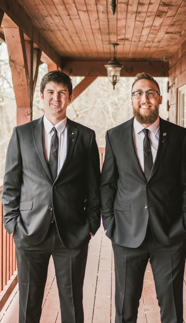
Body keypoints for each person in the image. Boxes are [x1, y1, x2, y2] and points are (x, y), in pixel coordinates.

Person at [2, 70, 101, 323]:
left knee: (72, 303)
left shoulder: (86, 137)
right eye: (51, 92)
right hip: (29, 232)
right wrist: (12, 224)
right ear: (42, 96)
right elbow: (11, 184)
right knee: (28, 304)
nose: (56, 98)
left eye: (61, 93)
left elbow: (94, 186)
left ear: (69, 97)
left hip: (72, 233)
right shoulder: (22, 135)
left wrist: (90, 226)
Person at [100, 73, 186, 323]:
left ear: (160, 99)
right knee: (125, 307)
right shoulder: (114, 136)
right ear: (132, 100)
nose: (145, 98)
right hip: (126, 232)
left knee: (172, 307)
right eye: (138, 93)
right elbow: (108, 183)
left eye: (151, 93)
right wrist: (110, 223)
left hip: (170, 232)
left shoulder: (178, 135)